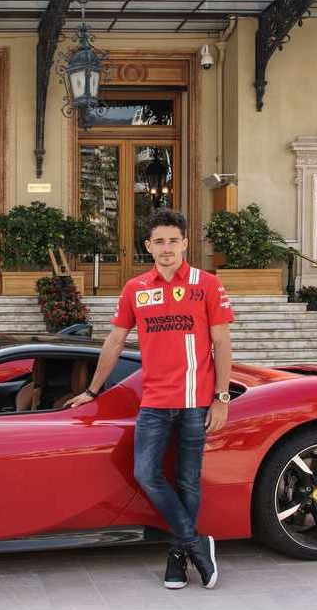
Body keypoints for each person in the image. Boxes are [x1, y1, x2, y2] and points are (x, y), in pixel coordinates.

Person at [67, 208, 234, 590]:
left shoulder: (206, 284)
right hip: (154, 402)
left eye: (173, 240)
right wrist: (92, 390)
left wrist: (221, 397)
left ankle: (177, 557)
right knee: (146, 473)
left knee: (189, 482)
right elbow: (114, 340)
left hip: (196, 401)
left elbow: (222, 342)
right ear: (148, 246)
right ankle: (195, 543)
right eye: (159, 241)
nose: (166, 248)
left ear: (186, 243)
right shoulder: (136, 289)